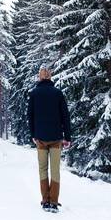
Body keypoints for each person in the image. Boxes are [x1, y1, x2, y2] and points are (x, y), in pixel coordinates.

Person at [26, 67, 72, 212]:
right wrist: (68, 137)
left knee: (43, 169)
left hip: (40, 138)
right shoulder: (58, 93)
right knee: (55, 170)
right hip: (56, 138)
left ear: (39, 77)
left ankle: (45, 200)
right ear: (50, 77)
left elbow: (30, 116)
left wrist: (33, 134)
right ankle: (54, 201)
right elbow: (65, 116)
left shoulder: (34, 94)